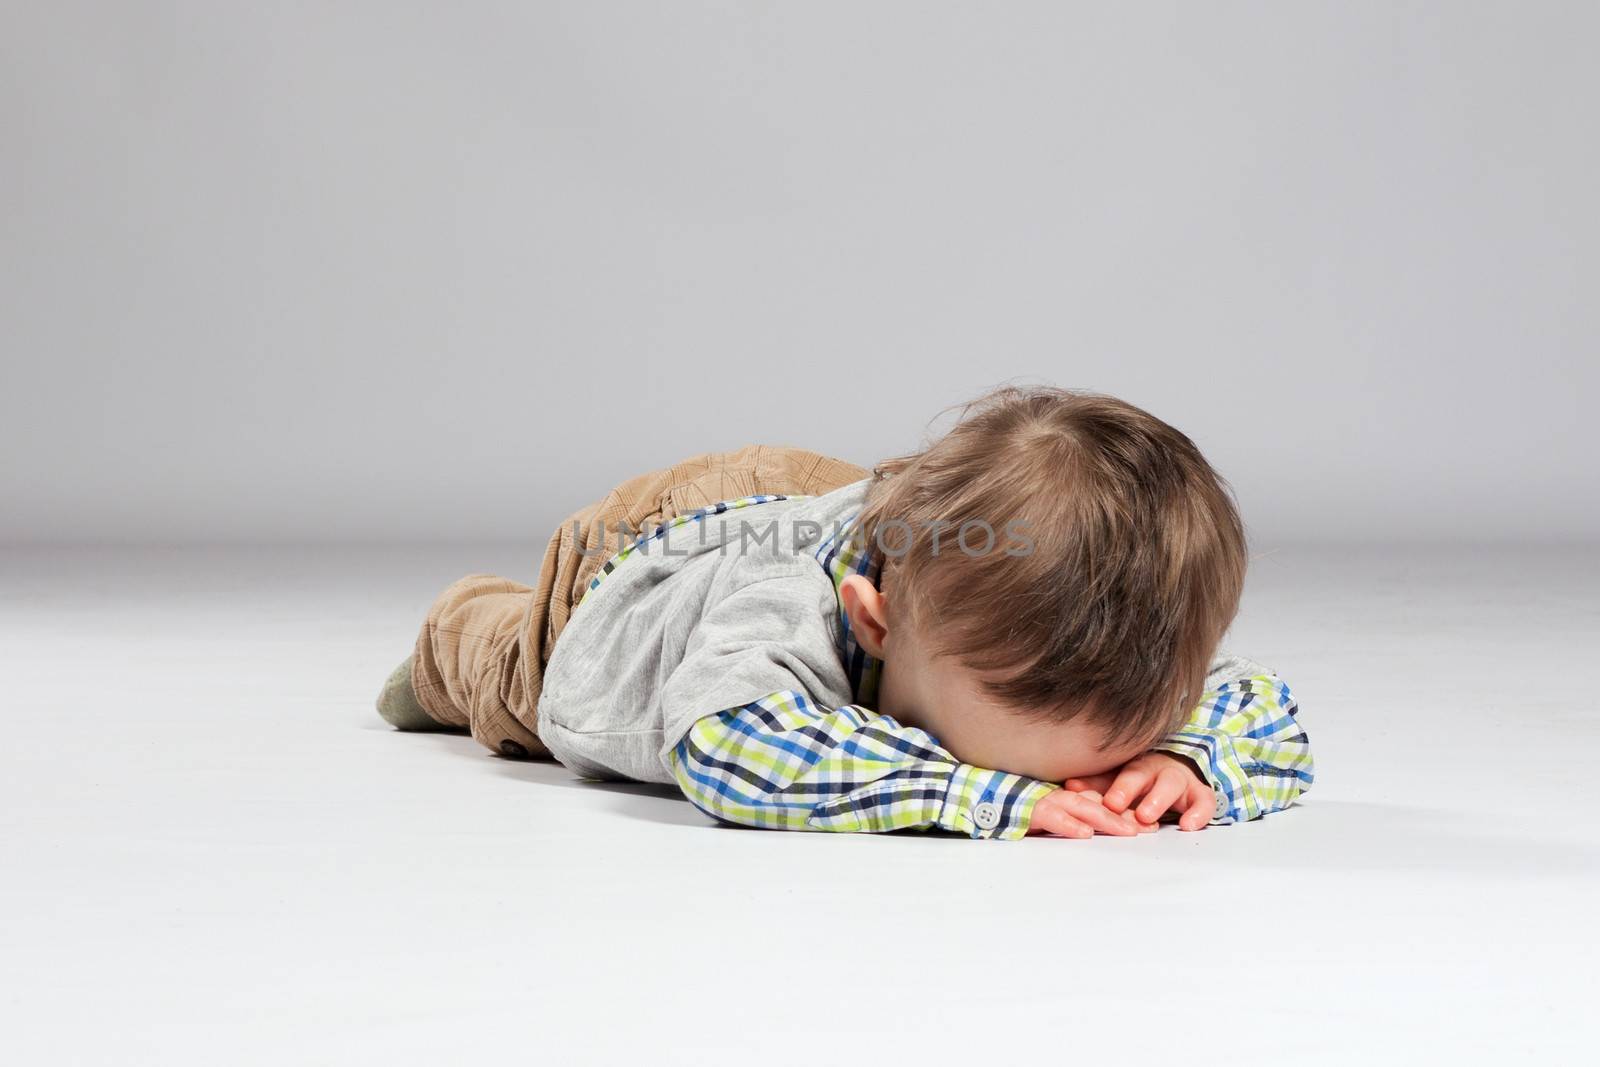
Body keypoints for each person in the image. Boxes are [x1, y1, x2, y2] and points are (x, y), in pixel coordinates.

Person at [374, 385, 1314, 840]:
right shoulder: (784, 614)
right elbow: (721, 737)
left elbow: (1263, 707)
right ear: (875, 621)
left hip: (844, 502)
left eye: (1111, 755)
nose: (1080, 788)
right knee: (519, 685)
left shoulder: (1108, 653)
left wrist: (1186, 757)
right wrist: (975, 795)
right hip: (646, 559)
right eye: (1001, 759)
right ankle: (461, 628)